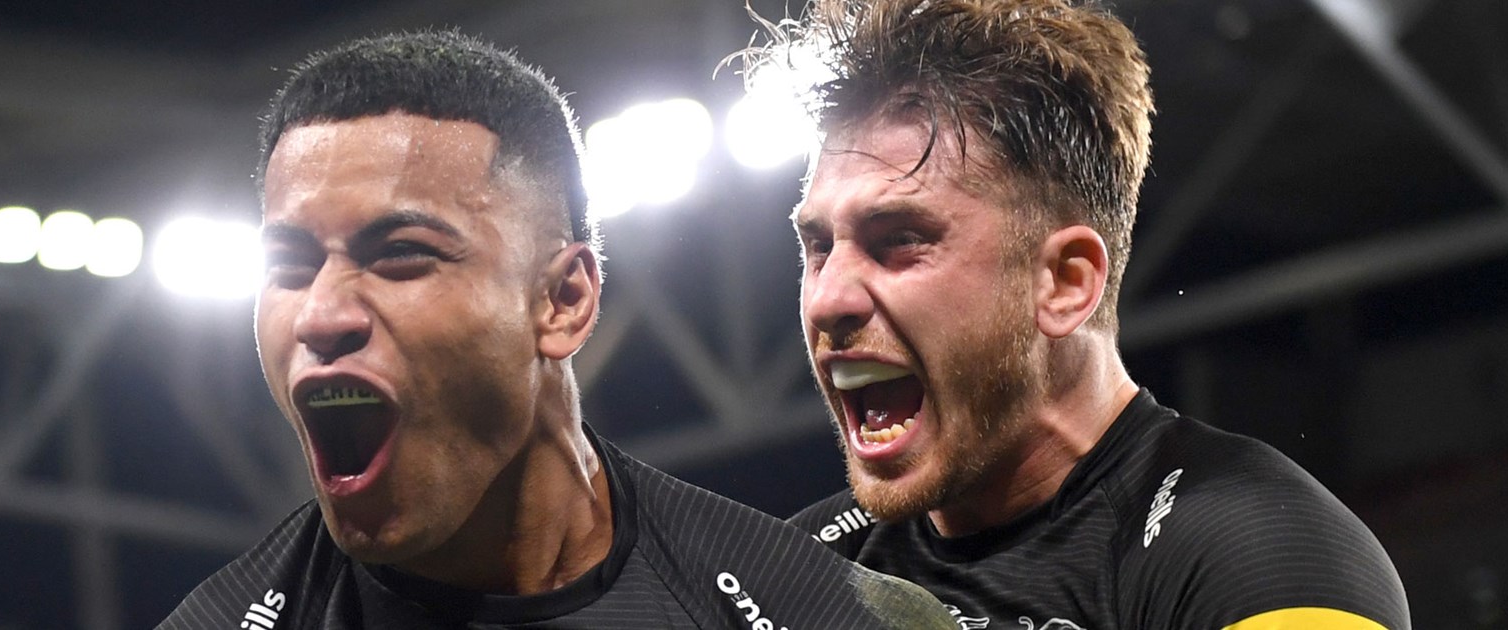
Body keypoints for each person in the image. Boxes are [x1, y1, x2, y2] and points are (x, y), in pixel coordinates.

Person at [158, 30, 957, 630]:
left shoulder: (821, 612)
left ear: (564, 300)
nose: (321, 314)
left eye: (400, 256)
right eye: (290, 266)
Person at [738, 0, 1413, 628]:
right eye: (818, 247)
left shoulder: (1263, 552)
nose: (828, 299)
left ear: (1064, 283)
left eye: (900, 240)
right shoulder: (784, 580)